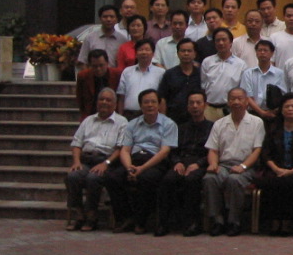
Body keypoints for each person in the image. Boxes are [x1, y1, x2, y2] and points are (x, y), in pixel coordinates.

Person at [104, 89, 177, 234]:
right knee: (112, 177)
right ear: (140, 105)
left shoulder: (169, 124)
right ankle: (125, 217)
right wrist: (129, 168)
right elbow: (125, 150)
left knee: (145, 179)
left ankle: (141, 221)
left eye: (153, 102)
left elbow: (164, 152)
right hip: (133, 160)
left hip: (155, 162)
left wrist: (141, 169)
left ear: (159, 104)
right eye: (146, 102)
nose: (150, 105)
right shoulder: (132, 124)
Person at [203, 87, 265, 236]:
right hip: (224, 164)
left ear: (247, 102)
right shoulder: (219, 123)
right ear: (228, 102)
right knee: (210, 178)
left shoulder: (257, 122)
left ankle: (234, 221)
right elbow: (213, 149)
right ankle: (217, 220)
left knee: (234, 180)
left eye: (240, 99)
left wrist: (243, 166)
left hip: (247, 166)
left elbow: (257, 150)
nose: (236, 102)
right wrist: (213, 164)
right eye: (233, 99)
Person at [65, 87, 127, 231]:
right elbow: (76, 144)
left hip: (107, 161)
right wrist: (76, 162)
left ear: (115, 104)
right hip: (86, 160)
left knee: (93, 178)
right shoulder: (88, 120)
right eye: (101, 99)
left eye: (108, 100)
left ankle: (92, 215)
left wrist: (106, 163)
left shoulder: (122, 122)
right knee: (72, 176)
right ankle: (79, 214)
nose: (104, 102)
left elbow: (120, 148)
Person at [156, 89, 213, 237]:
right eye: (191, 103)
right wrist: (177, 162)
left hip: (201, 163)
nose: (195, 106)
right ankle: (164, 223)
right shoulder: (180, 128)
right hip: (181, 161)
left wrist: (198, 164)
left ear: (205, 105)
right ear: (187, 106)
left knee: (191, 180)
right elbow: (172, 150)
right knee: (168, 179)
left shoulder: (212, 127)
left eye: (198, 103)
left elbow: (213, 152)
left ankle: (193, 223)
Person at [256, 92, 293, 236]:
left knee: (291, 183)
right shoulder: (273, 129)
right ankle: (274, 221)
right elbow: (266, 153)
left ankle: (287, 222)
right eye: (286, 106)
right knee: (272, 182)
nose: (290, 109)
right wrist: (276, 169)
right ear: (281, 110)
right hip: (275, 169)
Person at [200, 28, 248, 122]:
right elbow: (203, 86)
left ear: (231, 42)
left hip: (231, 110)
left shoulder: (240, 64)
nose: (221, 43)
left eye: (224, 40)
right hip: (210, 109)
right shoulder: (207, 62)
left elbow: (243, 89)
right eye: (218, 40)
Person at [116, 39, 165, 119]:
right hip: (129, 115)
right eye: (140, 50)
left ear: (153, 54)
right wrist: (120, 116)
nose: (144, 52)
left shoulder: (161, 72)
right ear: (136, 54)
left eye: (147, 50)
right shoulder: (127, 71)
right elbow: (121, 96)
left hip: (152, 115)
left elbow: (162, 99)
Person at [157, 38, 202, 124]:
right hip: (173, 118)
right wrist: (163, 119)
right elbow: (162, 97)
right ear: (178, 53)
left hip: (196, 118)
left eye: (189, 51)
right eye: (183, 51)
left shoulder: (200, 73)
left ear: (195, 54)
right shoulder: (170, 74)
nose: (186, 53)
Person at [240, 39, 287, 121]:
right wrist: (262, 113)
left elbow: (284, 95)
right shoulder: (248, 73)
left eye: (265, 50)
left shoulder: (280, 74)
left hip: (274, 114)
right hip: (253, 114)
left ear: (272, 53)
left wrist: (274, 111)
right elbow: (247, 96)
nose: (262, 53)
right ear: (256, 53)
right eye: (260, 50)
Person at [75, 49, 121, 120]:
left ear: (107, 63)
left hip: (113, 114)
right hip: (90, 113)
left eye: (101, 65)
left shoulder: (117, 75)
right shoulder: (83, 76)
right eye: (94, 66)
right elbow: (80, 97)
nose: (98, 69)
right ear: (89, 65)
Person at [271, 3, 293, 68]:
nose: (292, 18)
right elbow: (271, 62)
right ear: (284, 17)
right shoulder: (274, 37)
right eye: (288, 16)